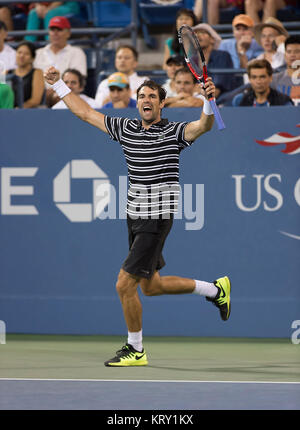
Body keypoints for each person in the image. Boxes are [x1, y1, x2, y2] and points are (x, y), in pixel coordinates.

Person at [44, 65, 231, 367]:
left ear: (161, 103)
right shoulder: (126, 128)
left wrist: (209, 102)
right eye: (142, 95)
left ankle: (136, 349)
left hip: (157, 218)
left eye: (152, 96)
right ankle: (215, 289)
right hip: (134, 216)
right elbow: (87, 114)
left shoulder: (173, 132)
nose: (146, 100)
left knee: (123, 284)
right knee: (150, 286)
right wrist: (59, 87)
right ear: (138, 101)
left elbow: (203, 127)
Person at [34, 16, 87, 107]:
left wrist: (57, 89)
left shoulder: (77, 52)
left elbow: (77, 80)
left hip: (68, 97)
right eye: (52, 29)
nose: (55, 33)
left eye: (59, 29)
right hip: (40, 97)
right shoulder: (38, 53)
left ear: (68, 33)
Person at [219, 14, 263, 88]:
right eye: (238, 29)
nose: (242, 32)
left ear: (252, 32)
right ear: (233, 32)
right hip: (228, 83)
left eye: (245, 29)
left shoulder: (259, 45)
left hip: (251, 84)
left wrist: (241, 49)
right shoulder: (224, 45)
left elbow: (246, 73)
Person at [192, 23, 235, 98]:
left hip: (221, 99)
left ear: (212, 40)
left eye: (202, 33)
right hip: (194, 98)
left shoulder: (223, 56)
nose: (198, 36)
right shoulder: (191, 60)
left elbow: (217, 88)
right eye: (195, 34)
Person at [9, 41, 44, 108]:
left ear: (32, 58)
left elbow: (36, 100)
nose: (22, 56)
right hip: (8, 111)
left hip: (29, 112)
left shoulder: (37, 73)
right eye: (19, 52)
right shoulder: (8, 72)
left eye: (26, 54)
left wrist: (19, 109)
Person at [271, 35, 300, 105]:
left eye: (297, 52)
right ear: (284, 55)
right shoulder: (274, 79)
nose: (292, 55)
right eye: (289, 52)